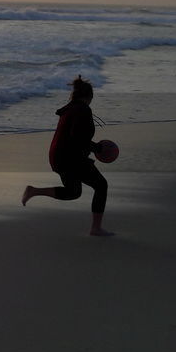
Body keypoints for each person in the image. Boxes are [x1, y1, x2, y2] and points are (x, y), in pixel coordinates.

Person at [21, 76, 113, 236]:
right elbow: (77, 137)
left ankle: (33, 191)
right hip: (69, 158)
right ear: (89, 97)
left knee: (73, 192)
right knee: (101, 185)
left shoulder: (70, 109)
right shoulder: (83, 109)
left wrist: (90, 149)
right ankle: (96, 228)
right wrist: (96, 147)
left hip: (58, 157)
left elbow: (74, 137)